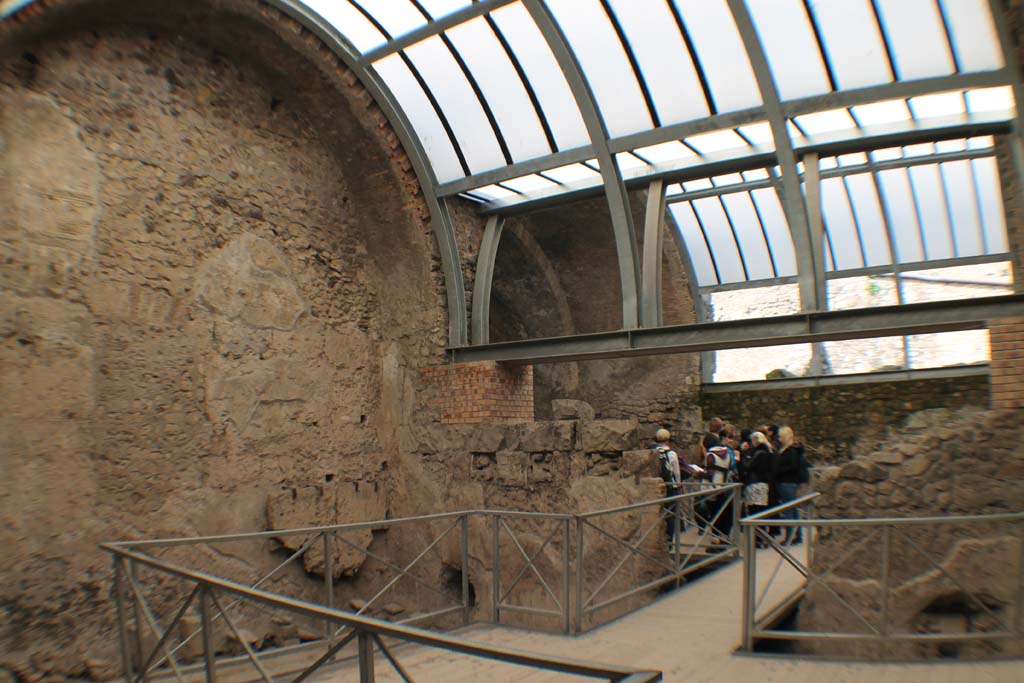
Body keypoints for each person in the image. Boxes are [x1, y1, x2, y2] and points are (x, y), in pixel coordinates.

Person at [771, 426, 806, 545]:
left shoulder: (790, 451)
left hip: (787, 482)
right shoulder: (792, 450)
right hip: (790, 482)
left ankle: (789, 536)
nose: (779, 439)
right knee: (793, 509)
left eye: (780, 437)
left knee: (789, 510)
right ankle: (797, 535)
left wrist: (779, 470)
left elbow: (792, 467)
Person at [652, 428, 683, 543]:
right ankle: (669, 540)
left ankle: (656, 538)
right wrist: (679, 484)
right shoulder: (671, 454)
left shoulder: (652, 451)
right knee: (670, 514)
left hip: (656, 486)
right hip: (670, 486)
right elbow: (676, 472)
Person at [741, 431, 774, 528]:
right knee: (761, 511)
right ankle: (761, 537)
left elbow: (748, 466)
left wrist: (743, 455)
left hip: (755, 484)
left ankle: (757, 539)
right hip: (763, 484)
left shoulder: (758, 453)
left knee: (755, 511)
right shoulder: (768, 451)